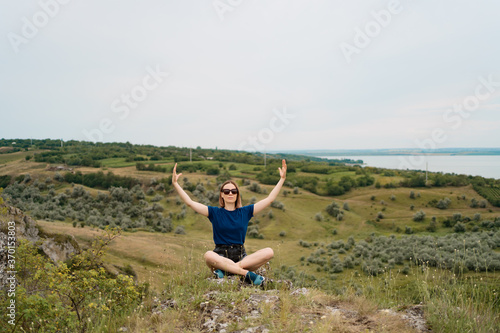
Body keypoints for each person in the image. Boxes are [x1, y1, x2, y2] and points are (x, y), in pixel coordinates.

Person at [172, 159, 287, 285]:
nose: (230, 193)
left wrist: (281, 179)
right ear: (222, 195)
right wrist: (176, 184)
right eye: (226, 191)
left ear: (237, 194)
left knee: (269, 252)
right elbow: (190, 203)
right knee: (208, 255)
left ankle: (227, 271)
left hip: (241, 257)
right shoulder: (214, 212)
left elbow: (270, 199)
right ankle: (246, 274)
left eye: (234, 191)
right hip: (219, 256)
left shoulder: (246, 212)